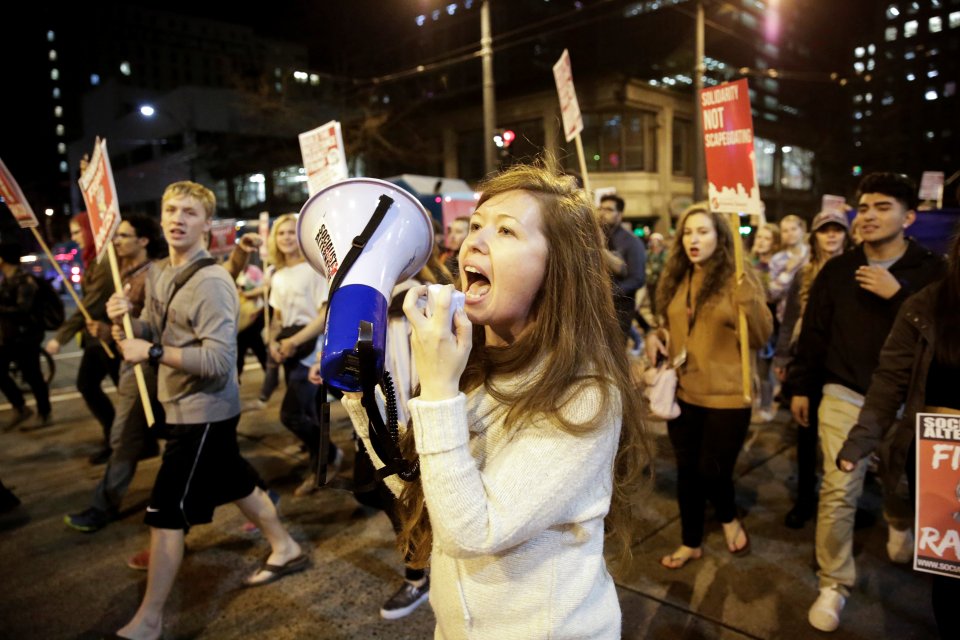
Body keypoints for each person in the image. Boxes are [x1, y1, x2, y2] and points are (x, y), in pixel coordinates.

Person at [335, 162, 650, 638]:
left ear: (557, 267)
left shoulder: (585, 393)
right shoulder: (471, 362)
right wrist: (361, 396)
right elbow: (425, 493)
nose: (474, 241)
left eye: (506, 231)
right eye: (477, 226)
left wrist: (439, 390)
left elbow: (471, 531)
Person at [107, 181, 303, 640]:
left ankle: (149, 620)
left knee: (166, 513)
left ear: (207, 224)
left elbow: (218, 361)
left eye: (190, 213)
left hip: (205, 411)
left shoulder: (213, 282)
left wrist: (152, 353)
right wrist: (123, 319)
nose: (178, 219)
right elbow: (149, 335)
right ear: (160, 217)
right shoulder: (157, 273)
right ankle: (285, 545)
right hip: (178, 406)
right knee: (235, 481)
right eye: (171, 209)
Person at [788, 172, 945, 632]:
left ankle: (899, 518)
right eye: (865, 207)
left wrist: (901, 297)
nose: (870, 216)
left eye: (883, 207)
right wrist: (802, 385)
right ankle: (834, 582)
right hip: (844, 393)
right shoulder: (838, 270)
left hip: (909, 401)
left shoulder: (932, 272)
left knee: (899, 478)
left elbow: (945, 337)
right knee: (838, 490)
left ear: (909, 216)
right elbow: (815, 333)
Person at [835, 228, 960, 640]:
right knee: (950, 585)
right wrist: (861, 440)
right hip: (942, 467)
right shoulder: (928, 305)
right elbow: (889, 382)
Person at [646, 204, 772, 569]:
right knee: (687, 471)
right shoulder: (679, 277)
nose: (693, 240)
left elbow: (762, 337)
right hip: (684, 393)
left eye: (703, 232)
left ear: (721, 236)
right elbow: (675, 326)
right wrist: (659, 337)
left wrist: (748, 297)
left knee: (712, 470)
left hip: (728, 398)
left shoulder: (738, 281)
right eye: (687, 232)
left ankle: (729, 516)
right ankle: (691, 541)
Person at [64, 214, 166, 532]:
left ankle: (102, 506)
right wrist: (108, 330)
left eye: (123, 235)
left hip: (144, 367)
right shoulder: (124, 271)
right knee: (168, 436)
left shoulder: (153, 276)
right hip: (129, 364)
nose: (116, 241)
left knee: (122, 437)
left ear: (143, 241)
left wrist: (116, 328)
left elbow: (153, 328)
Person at [774, 210, 851, 529]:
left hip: (844, 366)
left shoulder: (856, 270)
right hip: (808, 362)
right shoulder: (804, 274)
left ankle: (844, 501)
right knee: (805, 434)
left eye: (837, 230)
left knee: (844, 439)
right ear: (815, 236)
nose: (831, 235)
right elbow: (790, 318)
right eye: (824, 230)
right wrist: (782, 359)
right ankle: (805, 499)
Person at [265, 213, 341, 497]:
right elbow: (277, 316)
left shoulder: (314, 270)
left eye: (290, 232)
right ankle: (319, 464)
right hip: (290, 350)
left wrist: (295, 341)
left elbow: (325, 315)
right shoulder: (277, 274)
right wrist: (273, 341)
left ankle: (330, 455)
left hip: (312, 351)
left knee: (292, 414)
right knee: (310, 412)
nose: (285, 237)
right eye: (280, 233)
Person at [45, 212, 120, 464]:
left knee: (127, 392)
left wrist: (60, 337)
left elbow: (91, 304)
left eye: (78, 232)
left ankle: (125, 440)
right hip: (95, 339)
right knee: (91, 385)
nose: (74, 238)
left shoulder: (105, 262)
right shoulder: (93, 260)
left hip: (110, 337)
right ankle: (119, 438)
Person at [0, 242, 52, 429]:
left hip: (26, 336)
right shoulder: (7, 279)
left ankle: (44, 413)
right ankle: (20, 407)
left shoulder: (24, 281)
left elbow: (23, 309)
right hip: (11, 337)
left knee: (33, 376)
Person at [598, 194, 647, 340]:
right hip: (599, 308)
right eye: (600, 208)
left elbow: (638, 278)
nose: (602, 212)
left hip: (620, 309)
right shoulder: (596, 236)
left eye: (608, 209)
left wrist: (611, 292)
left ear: (619, 214)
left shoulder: (632, 242)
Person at [750, 222, 782, 424]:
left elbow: (772, 295)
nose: (761, 241)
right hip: (753, 319)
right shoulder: (752, 262)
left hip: (771, 323)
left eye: (767, 238)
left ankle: (766, 406)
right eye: (759, 236)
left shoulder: (777, 266)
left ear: (775, 243)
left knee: (763, 368)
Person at [768, 214, 810, 323]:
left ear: (802, 230)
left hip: (811, 313)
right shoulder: (777, 259)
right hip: (786, 318)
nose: (790, 234)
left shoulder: (813, 254)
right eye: (785, 231)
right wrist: (787, 272)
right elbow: (772, 294)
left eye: (793, 229)